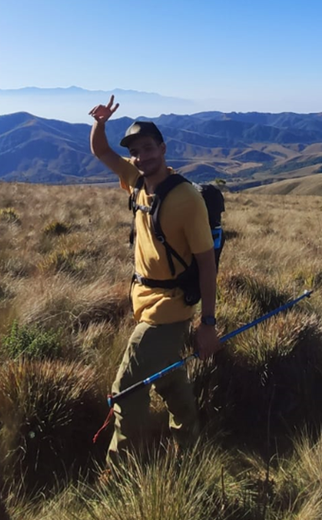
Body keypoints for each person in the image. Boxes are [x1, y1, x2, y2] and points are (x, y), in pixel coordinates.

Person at [88, 96, 220, 464]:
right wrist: (100, 123)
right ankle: (189, 444)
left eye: (148, 148)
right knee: (168, 377)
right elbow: (102, 151)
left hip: (171, 305)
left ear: (162, 149)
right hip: (144, 299)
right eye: (135, 151)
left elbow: (207, 265)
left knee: (125, 387)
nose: (142, 156)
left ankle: (122, 468)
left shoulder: (187, 199)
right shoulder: (136, 182)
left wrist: (208, 324)